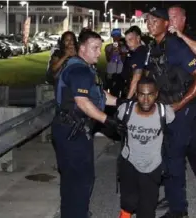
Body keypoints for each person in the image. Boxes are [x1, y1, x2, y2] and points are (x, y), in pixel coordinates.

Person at [51, 30, 126, 218]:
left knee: (73, 178)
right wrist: (108, 121)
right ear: (82, 48)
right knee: (80, 179)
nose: (99, 52)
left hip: (72, 129)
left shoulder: (85, 67)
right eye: (94, 48)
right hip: (71, 131)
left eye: (99, 48)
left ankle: (75, 212)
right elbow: (82, 102)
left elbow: (100, 96)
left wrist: (121, 102)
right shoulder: (79, 70)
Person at [146, 7, 196, 218]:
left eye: (156, 20)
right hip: (163, 110)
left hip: (181, 111)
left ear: (167, 24)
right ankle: (174, 200)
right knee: (167, 158)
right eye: (148, 20)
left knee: (174, 158)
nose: (150, 23)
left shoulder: (176, 46)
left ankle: (179, 210)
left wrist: (181, 104)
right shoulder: (154, 47)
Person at [117, 76, 175, 218]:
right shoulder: (125, 110)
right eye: (142, 94)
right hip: (129, 162)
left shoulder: (165, 113)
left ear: (156, 94)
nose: (146, 99)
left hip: (152, 165)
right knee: (127, 202)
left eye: (150, 95)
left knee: (147, 207)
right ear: (136, 94)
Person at [167, 4, 196, 190]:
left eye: (174, 17)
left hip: (189, 99)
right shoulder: (163, 40)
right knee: (170, 147)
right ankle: (174, 190)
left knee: (195, 145)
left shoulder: (190, 37)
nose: (170, 21)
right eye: (168, 17)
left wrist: (181, 36)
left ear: (183, 20)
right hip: (168, 99)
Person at [123, 26, 148, 99]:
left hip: (137, 93)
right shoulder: (135, 52)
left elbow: (136, 78)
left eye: (130, 40)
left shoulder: (140, 53)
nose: (128, 43)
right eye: (126, 41)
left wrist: (128, 100)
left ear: (138, 38)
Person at [105, 28, 128, 97]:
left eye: (117, 36)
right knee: (110, 89)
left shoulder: (124, 47)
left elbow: (124, 60)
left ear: (120, 37)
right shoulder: (108, 47)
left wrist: (120, 51)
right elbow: (108, 59)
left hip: (120, 72)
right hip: (111, 71)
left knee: (121, 89)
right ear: (112, 36)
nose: (116, 38)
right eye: (114, 36)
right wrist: (113, 51)